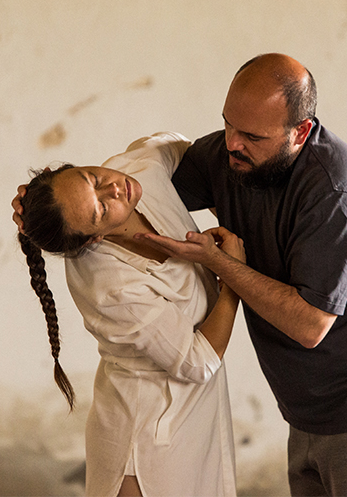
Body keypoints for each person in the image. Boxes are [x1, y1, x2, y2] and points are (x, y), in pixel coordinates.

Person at [130, 54, 347, 497]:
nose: (232, 143)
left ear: (301, 131)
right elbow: (140, 192)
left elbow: (310, 324)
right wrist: (54, 202)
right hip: (307, 409)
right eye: (227, 124)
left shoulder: (334, 193)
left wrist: (221, 264)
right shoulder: (230, 155)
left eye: (252, 135)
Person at [14, 132, 244, 497]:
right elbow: (198, 362)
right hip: (145, 435)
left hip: (194, 419)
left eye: (92, 179)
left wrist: (228, 207)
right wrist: (232, 273)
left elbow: (189, 152)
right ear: (93, 239)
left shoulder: (140, 169)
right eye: (101, 210)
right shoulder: (109, 285)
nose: (114, 190)